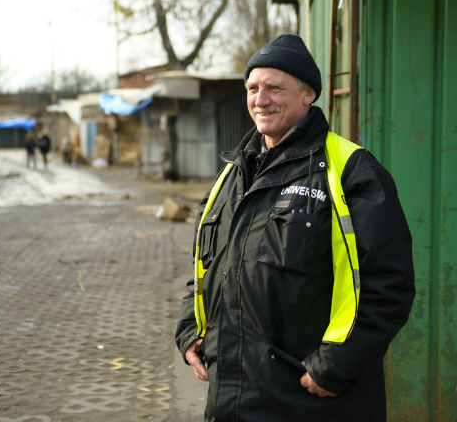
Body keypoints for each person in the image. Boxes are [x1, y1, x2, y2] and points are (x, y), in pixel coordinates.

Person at [174, 34, 415, 421]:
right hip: (231, 399)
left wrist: (336, 364)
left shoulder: (351, 171)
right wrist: (190, 330)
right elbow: (204, 268)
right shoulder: (232, 175)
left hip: (309, 400)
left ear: (308, 94)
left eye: (274, 88)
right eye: (252, 88)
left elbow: (388, 283)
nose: (260, 99)